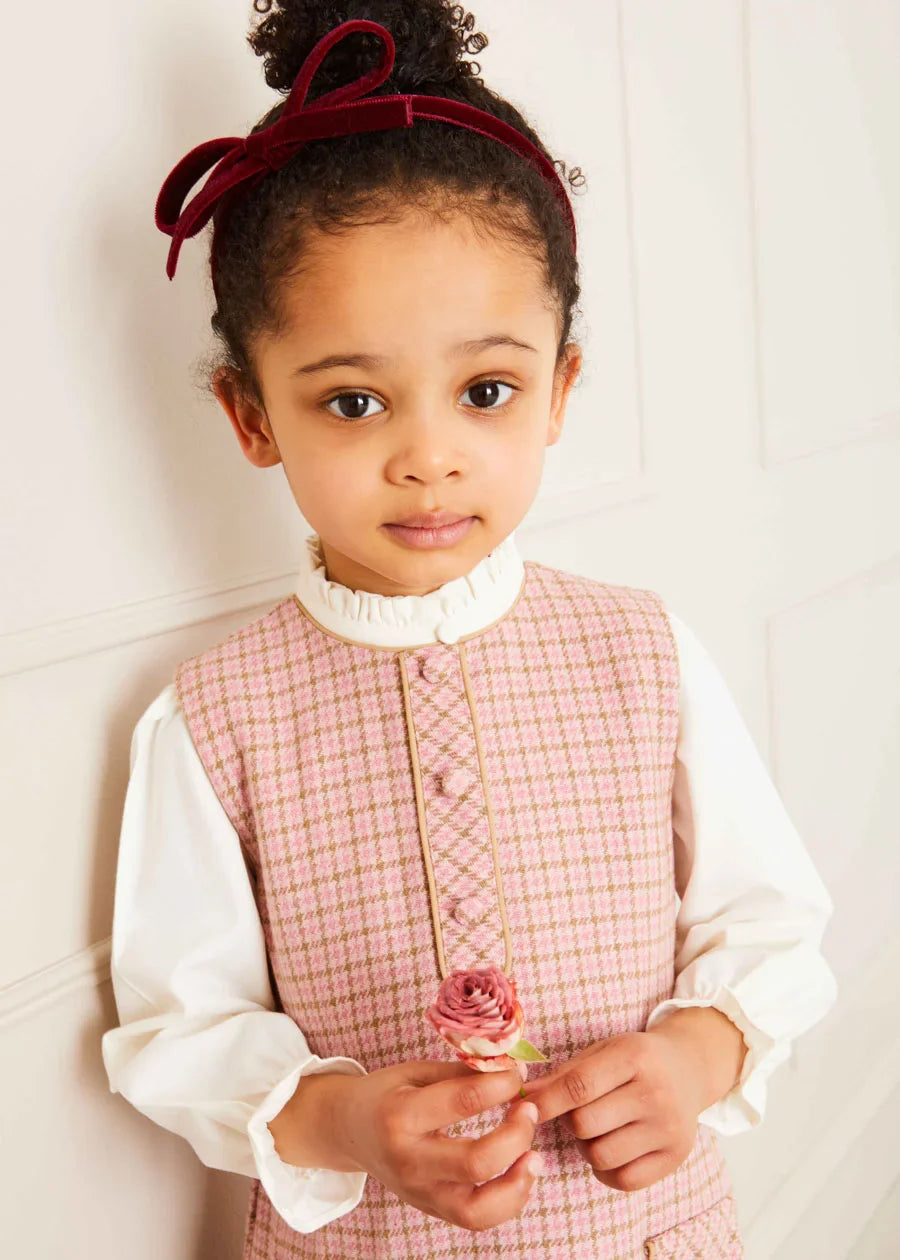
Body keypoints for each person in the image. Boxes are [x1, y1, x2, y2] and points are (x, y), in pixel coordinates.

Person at [100, 3, 838, 1257]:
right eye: (353, 401)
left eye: (485, 390)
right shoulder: (215, 718)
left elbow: (766, 924)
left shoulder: (642, 652)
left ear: (559, 390)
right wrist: (344, 1120)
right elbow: (182, 1025)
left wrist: (697, 1056)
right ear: (253, 416)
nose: (427, 456)